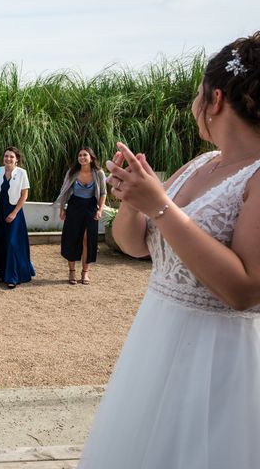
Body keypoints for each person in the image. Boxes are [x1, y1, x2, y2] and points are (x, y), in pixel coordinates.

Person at [79, 32, 260, 468]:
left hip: (219, 356)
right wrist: (133, 197)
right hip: (156, 339)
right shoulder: (201, 163)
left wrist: (159, 206)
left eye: (198, 95)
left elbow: (245, 289)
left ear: (215, 99)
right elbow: (134, 246)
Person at [55, 147, 106, 285]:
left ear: (91, 157)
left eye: (85, 155)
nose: (82, 157)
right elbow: (64, 191)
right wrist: (62, 209)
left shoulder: (99, 173)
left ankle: (85, 272)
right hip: (74, 207)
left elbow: (103, 193)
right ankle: (72, 271)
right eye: (80, 155)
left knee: (87, 240)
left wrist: (100, 210)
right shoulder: (72, 172)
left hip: (90, 207)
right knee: (71, 238)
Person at [0, 147, 35, 288]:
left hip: (13, 211)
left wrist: (14, 212)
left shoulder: (22, 173)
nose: (8, 159)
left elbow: (24, 195)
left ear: (17, 159)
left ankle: (13, 276)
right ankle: (1, 273)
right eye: (6, 156)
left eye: (11, 157)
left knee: (12, 242)